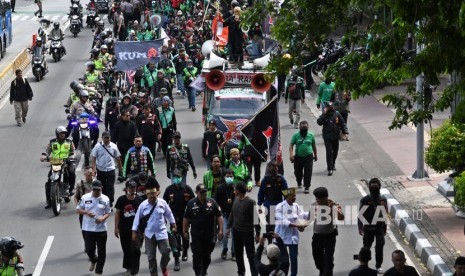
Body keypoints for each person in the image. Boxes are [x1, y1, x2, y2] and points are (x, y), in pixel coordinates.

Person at [132, 183, 176, 276]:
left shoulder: (162, 203)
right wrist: (134, 232)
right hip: (149, 234)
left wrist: (173, 223)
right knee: (151, 257)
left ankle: (163, 266)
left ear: (156, 194)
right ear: (147, 195)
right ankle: (154, 274)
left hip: (161, 232)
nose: (152, 199)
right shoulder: (143, 205)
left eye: (154, 197)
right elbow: (137, 219)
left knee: (166, 252)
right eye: (150, 197)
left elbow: (169, 214)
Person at [183, 184, 224, 276]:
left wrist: (221, 230)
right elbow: (186, 218)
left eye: (205, 192)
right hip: (196, 235)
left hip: (210, 234)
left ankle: (204, 270)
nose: (203, 194)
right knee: (197, 254)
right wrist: (184, 230)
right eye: (201, 192)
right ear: (196, 193)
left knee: (207, 255)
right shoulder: (191, 203)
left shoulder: (212, 202)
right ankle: (198, 272)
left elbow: (219, 216)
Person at [76, 180, 111, 276]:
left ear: (101, 189)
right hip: (88, 228)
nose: (96, 192)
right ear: (92, 189)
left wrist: (102, 218)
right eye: (94, 190)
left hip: (101, 229)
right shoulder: (85, 197)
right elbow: (78, 210)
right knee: (89, 249)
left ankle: (99, 271)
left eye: (98, 190)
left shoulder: (106, 199)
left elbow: (108, 212)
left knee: (102, 251)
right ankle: (93, 259)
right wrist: (87, 212)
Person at [227, 182, 260, 276]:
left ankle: (254, 273)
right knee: (238, 254)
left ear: (238, 191)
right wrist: (228, 227)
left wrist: (257, 234)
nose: (234, 191)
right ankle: (241, 272)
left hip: (247, 232)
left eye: (235, 189)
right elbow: (232, 214)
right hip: (236, 231)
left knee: (251, 255)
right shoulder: (236, 199)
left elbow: (255, 219)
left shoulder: (250, 202)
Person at [163, 173, 195, 270]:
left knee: (185, 235)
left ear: (182, 177)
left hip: (185, 218)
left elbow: (193, 202)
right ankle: (176, 259)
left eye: (179, 176)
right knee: (174, 238)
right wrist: (164, 217)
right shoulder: (169, 189)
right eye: (175, 177)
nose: (177, 178)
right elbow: (164, 203)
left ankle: (185, 251)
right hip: (173, 219)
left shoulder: (187, 189)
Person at [274, 188, 309, 276]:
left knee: (294, 259)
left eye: (295, 196)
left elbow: (303, 215)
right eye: (293, 196)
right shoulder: (279, 206)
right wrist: (298, 226)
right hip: (281, 238)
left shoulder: (296, 206)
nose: (295, 198)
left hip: (293, 238)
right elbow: (283, 221)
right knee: (282, 261)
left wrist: (313, 211)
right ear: (287, 197)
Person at [311, 187, 344, 276]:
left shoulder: (334, 205)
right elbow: (310, 218)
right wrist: (302, 226)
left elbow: (341, 217)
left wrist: (333, 209)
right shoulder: (314, 205)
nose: (316, 200)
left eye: (318, 198)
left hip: (329, 237)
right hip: (317, 237)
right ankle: (322, 271)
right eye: (316, 198)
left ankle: (327, 273)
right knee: (317, 259)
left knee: (328, 261)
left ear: (324, 198)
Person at [41, 126, 76, 208]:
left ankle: (71, 189)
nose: (62, 135)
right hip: (55, 162)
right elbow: (47, 151)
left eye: (64, 133)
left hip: (66, 161)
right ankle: (49, 201)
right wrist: (44, 156)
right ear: (57, 134)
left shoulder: (69, 142)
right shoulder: (52, 142)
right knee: (49, 181)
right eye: (61, 133)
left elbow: (73, 151)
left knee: (71, 172)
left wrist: (72, 156)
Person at [358, 178, 388, 274]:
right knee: (366, 247)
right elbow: (360, 215)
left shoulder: (383, 199)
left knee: (380, 246)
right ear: (370, 187)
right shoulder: (366, 200)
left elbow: (385, 214)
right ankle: (364, 264)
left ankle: (378, 265)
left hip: (379, 227)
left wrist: (385, 227)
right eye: (372, 185)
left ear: (379, 187)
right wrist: (360, 227)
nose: (374, 187)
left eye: (376, 185)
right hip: (368, 228)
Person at [115, 180, 143, 276]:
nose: (133, 189)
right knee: (126, 249)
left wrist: (143, 230)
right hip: (124, 229)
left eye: (134, 187)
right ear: (126, 189)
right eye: (131, 187)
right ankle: (128, 267)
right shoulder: (121, 200)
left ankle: (134, 269)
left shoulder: (139, 200)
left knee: (135, 249)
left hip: (136, 230)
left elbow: (143, 216)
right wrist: (116, 228)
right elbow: (118, 214)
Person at [257, 161, 288, 242]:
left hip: (279, 206)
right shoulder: (265, 180)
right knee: (270, 225)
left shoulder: (281, 179)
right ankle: (270, 243)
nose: (275, 168)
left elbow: (286, 192)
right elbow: (261, 193)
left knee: (279, 224)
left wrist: (287, 204)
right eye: (273, 167)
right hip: (268, 206)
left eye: (276, 166)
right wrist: (259, 205)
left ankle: (279, 242)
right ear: (269, 168)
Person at [91, 131, 123, 207]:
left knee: (110, 187)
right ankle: (103, 201)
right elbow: (93, 158)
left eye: (108, 138)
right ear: (102, 138)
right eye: (105, 138)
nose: (106, 139)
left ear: (110, 138)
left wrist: (120, 168)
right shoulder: (97, 146)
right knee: (102, 186)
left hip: (110, 169)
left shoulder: (114, 146)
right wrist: (94, 169)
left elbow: (118, 158)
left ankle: (110, 201)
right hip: (100, 169)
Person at [316, 103, 348, 176]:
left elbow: (343, 123)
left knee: (335, 151)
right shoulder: (324, 115)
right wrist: (325, 114)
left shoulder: (337, 114)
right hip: (327, 137)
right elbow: (319, 122)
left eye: (331, 106)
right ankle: (329, 168)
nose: (331, 108)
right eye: (329, 107)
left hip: (336, 136)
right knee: (329, 152)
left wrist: (345, 131)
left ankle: (333, 163)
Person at [289, 120, 317, 193]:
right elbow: (291, 145)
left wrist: (316, 155)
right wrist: (291, 155)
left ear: (308, 128)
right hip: (298, 156)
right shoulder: (295, 135)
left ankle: (307, 186)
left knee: (308, 171)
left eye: (305, 128)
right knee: (298, 172)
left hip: (309, 156)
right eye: (302, 128)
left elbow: (314, 146)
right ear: (299, 128)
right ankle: (299, 182)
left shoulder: (311, 135)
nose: (304, 130)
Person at [215, 169, 236, 260]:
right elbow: (216, 202)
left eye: (231, 176)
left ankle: (234, 252)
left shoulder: (236, 188)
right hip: (224, 215)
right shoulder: (220, 188)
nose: (229, 178)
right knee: (224, 233)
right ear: (224, 177)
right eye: (227, 176)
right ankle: (225, 249)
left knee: (234, 234)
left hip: (235, 215)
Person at [75, 166, 94, 244]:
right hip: (83, 210)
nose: (89, 174)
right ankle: (87, 244)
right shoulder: (80, 183)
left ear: (93, 173)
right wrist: (77, 206)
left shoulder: (97, 183)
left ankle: (92, 245)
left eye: (90, 172)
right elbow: (76, 196)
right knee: (84, 229)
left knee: (95, 229)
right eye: (87, 173)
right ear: (84, 174)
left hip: (94, 209)